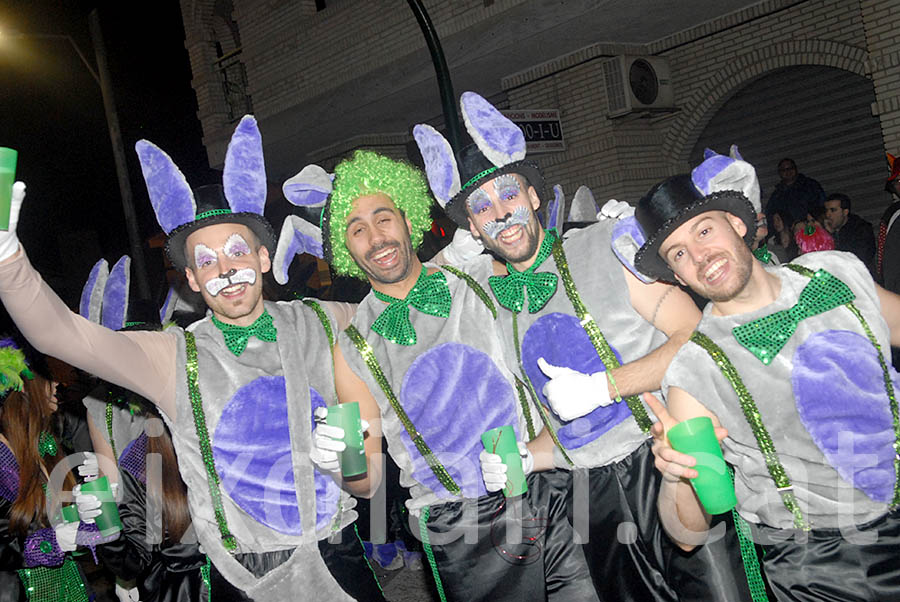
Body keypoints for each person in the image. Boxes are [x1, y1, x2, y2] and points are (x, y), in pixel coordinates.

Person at [0, 116, 381, 601]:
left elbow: (401, 302)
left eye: (236, 251)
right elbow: (62, 335)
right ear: (193, 282)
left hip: (338, 554)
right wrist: (8, 260)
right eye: (206, 261)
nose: (225, 270)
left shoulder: (322, 321)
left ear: (263, 258)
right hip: (244, 577)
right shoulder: (172, 354)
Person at [413, 92, 752, 602]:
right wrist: (528, 458)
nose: (500, 214)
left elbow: (697, 339)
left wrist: (605, 386)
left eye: (508, 195)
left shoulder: (603, 246)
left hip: (671, 459)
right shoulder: (489, 300)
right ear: (474, 229)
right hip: (589, 496)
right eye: (481, 209)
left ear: (534, 197)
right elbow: (566, 426)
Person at [277, 150, 598, 601]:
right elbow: (366, 476)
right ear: (345, 249)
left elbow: (552, 276)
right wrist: (337, 462)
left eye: (383, 218)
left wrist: (596, 239)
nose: (375, 238)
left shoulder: (479, 277)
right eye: (357, 230)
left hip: (549, 489)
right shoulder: (351, 348)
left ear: (408, 220)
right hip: (459, 526)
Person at [632, 152, 900, 601]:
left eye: (704, 230)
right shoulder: (696, 366)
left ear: (738, 224)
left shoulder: (835, 271)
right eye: (678, 253)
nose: (699, 255)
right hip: (824, 565)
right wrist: (676, 475)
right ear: (676, 275)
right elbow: (685, 533)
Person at [0, 338, 105, 601]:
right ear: (24, 387)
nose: (57, 383)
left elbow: (73, 536)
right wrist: (52, 543)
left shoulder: (43, 445)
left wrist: (89, 503)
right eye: (48, 376)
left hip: (72, 589)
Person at [765, 158, 825, 230]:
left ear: (796, 169)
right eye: (784, 170)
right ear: (779, 173)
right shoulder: (777, 194)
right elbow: (770, 214)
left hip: (811, 229)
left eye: (790, 168)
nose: (787, 172)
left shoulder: (810, 185)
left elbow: (821, 206)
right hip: (789, 234)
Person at [823, 193, 875, 273]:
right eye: (826, 210)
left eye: (833, 210)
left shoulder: (861, 229)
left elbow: (860, 258)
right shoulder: (827, 230)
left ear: (845, 212)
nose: (828, 215)